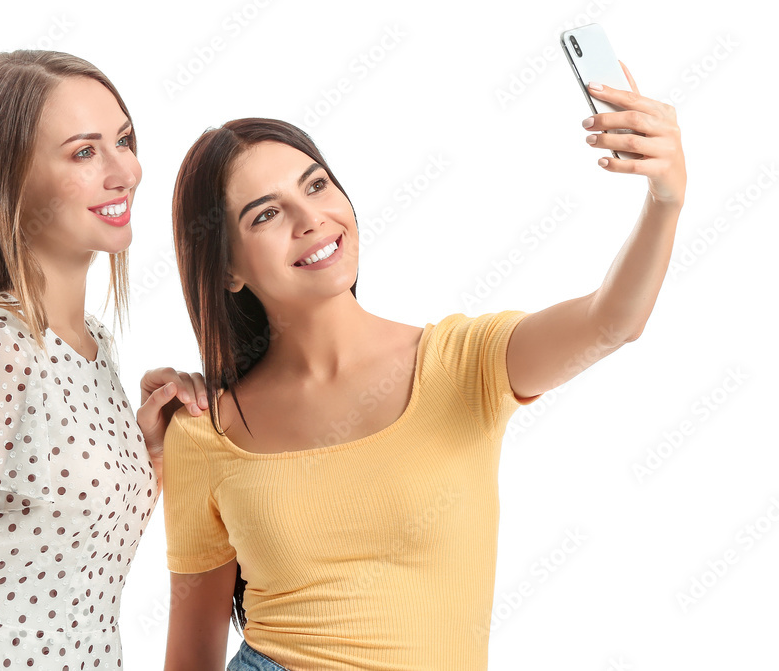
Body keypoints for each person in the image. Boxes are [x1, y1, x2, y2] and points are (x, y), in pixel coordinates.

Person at [161, 66, 685, 670]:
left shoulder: (463, 364)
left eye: (316, 186)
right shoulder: (205, 432)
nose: (309, 219)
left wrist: (665, 199)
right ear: (228, 269)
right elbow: (191, 657)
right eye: (265, 215)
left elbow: (611, 321)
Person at [0, 50, 209, 670]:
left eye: (124, 141)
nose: (124, 172)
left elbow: (60, 559)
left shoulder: (94, 347)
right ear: (8, 180)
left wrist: (147, 455)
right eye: (84, 152)